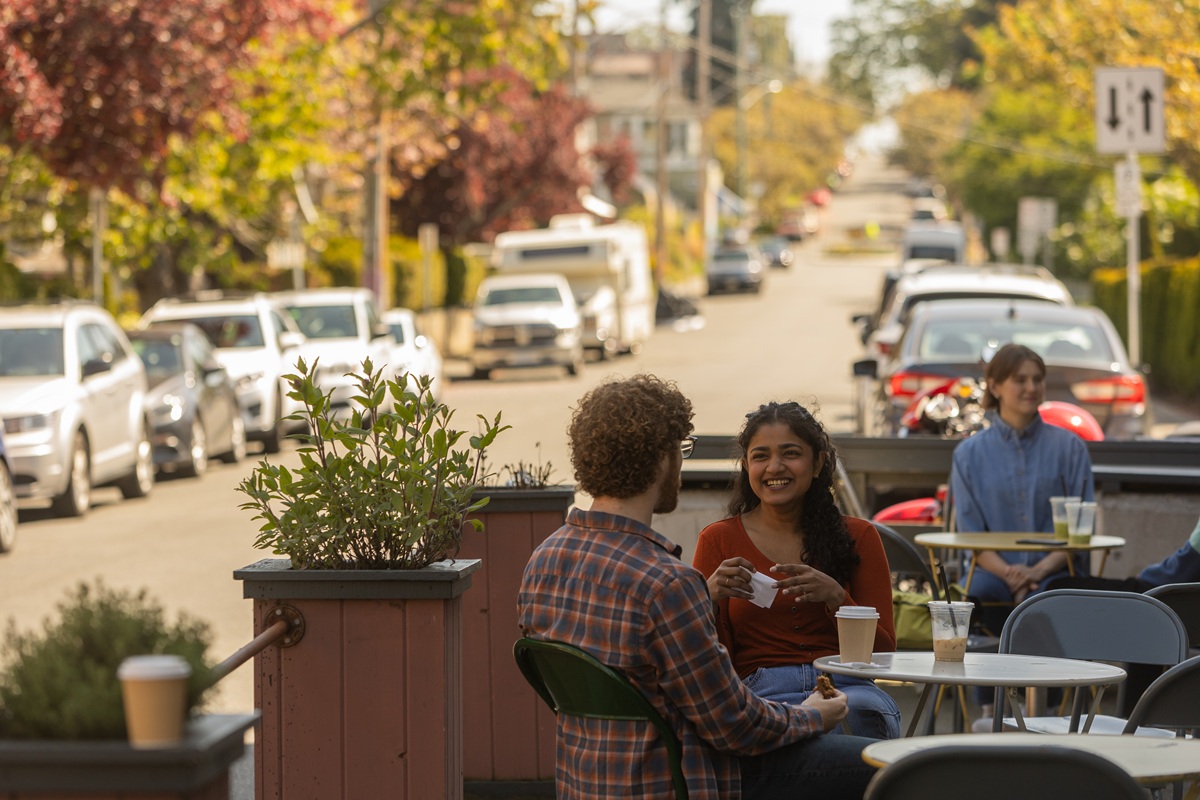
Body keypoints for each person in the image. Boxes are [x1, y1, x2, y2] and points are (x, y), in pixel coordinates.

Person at [518, 376, 876, 800]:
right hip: (678, 780)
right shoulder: (665, 582)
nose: (681, 463)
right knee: (886, 763)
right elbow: (734, 726)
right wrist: (811, 716)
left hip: (586, 782)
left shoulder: (543, 562)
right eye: (680, 449)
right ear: (660, 458)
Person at [693, 400, 901, 740]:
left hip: (848, 686)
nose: (775, 467)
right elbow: (703, 659)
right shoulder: (719, 540)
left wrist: (838, 598)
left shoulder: (860, 536)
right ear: (746, 465)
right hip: (762, 690)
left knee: (860, 715)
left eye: (790, 453)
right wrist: (707, 598)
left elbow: (884, 654)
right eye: (761, 456)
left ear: (817, 462)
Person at [948, 343, 1094, 729]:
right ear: (994, 386)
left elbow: (1082, 529)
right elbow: (970, 533)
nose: (1031, 387)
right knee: (979, 595)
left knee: (1050, 595)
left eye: (1038, 379)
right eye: (1020, 380)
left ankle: (1047, 712)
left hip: (1055, 568)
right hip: (991, 570)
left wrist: (1036, 570)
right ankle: (987, 711)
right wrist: (1012, 573)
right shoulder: (968, 454)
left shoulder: (1071, 448)